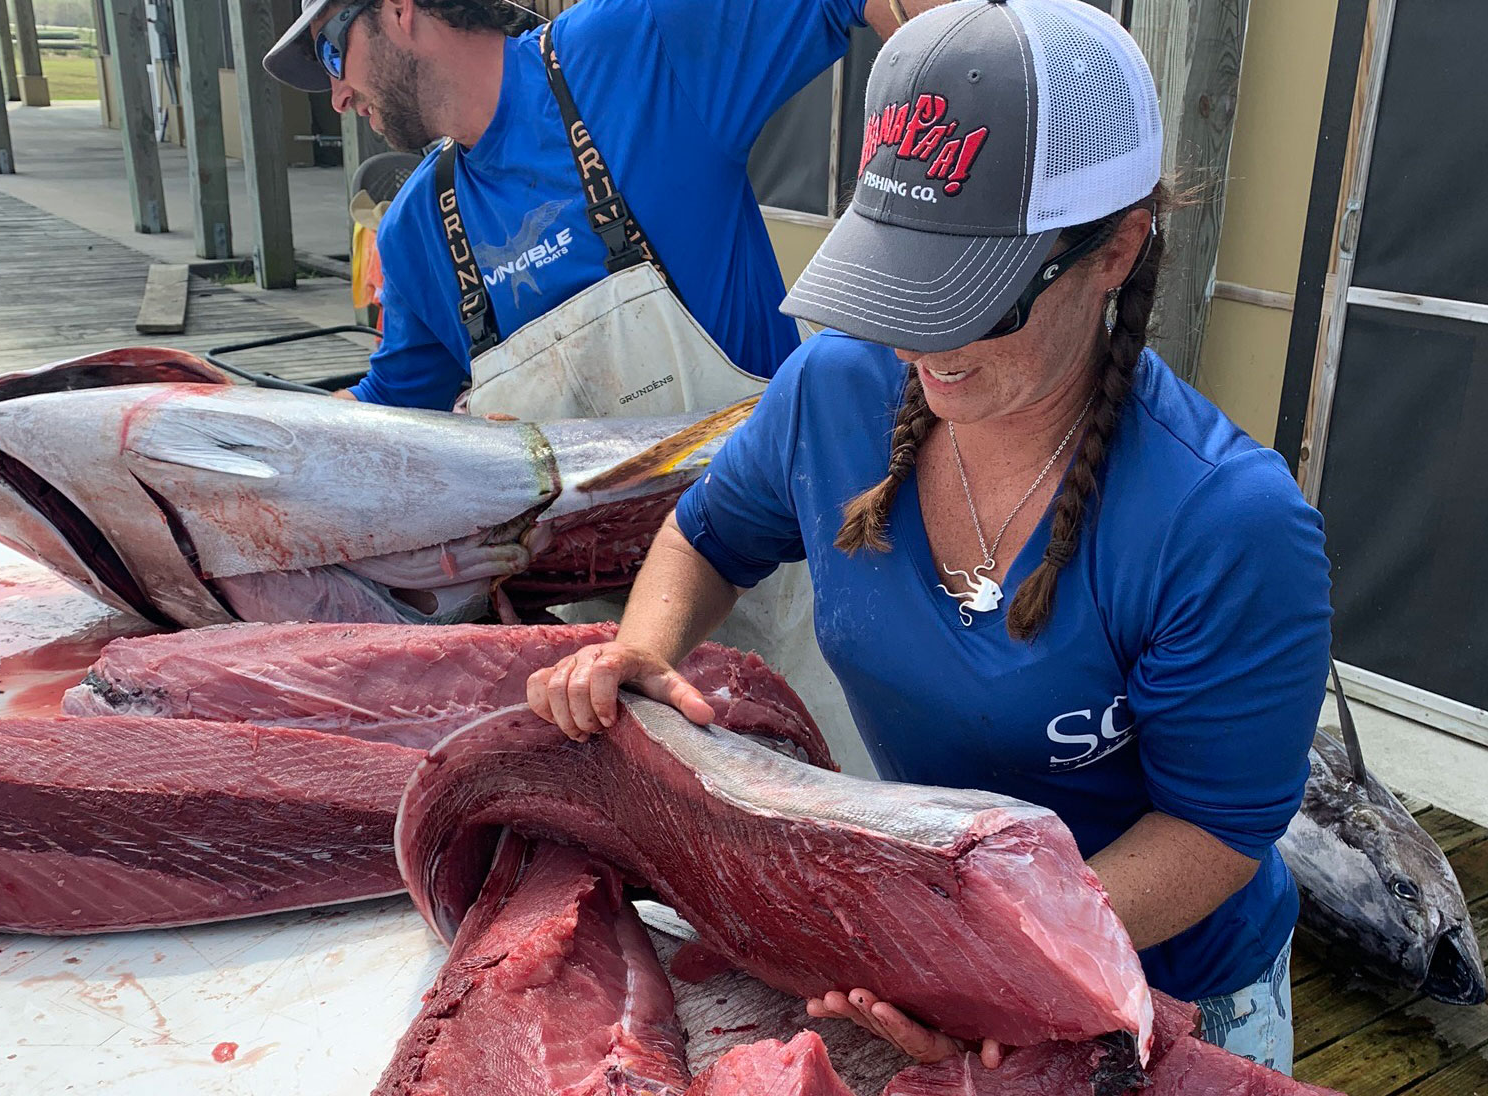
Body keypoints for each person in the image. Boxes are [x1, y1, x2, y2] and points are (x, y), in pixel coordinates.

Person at [526, 0, 1333, 1076]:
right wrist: (649, 643)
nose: (919, 337)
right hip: (941, 943)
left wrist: (996, 958)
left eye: (973, 296)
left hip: (1168, 974)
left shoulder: (1226, 523)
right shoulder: (835, 394)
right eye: (898, 277)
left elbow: (1216, 833)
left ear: (1114, 252)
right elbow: (710, 534)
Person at [264, 0, 934, 416]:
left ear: (400, 9)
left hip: (774, 568)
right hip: (584, 622)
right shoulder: (416, 234)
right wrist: (247, 433)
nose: (336, 98)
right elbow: (394, 416)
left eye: (331, 54)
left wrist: (959, 205)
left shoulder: (636, 48)